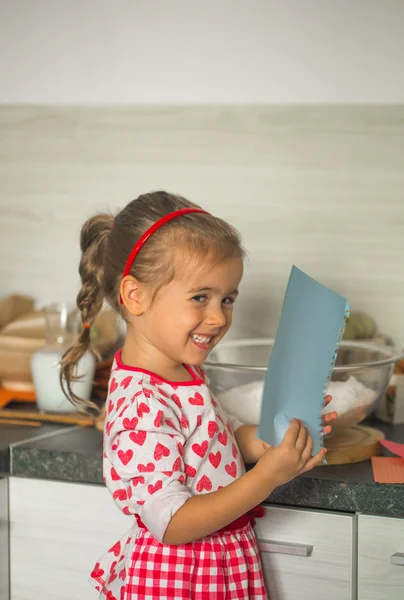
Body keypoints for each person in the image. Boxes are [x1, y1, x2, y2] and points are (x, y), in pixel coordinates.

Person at [61, 191, 336, 600]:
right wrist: (268, 476)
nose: (219, 317)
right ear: (134, 296)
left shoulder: (183, 371)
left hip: (216, 565)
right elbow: (171, 523)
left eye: (227, 299)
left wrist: (268, 439)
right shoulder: (142, 403)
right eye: (200, 298)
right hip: (179, 578)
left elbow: (208, 442)